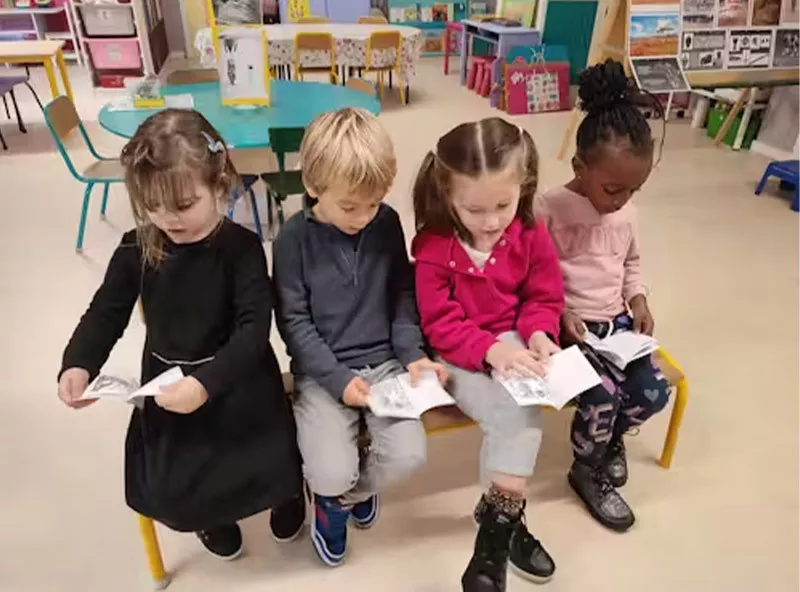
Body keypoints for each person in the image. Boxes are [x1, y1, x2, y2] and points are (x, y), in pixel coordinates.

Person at [56, 110, 305, 560]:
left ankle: (286, 499)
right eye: (153, 206)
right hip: (169, 383)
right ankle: (213, 517)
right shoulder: (138, 245)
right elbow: (105, 312)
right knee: (175, 485)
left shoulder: (242, 248)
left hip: (238, 378)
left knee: (272, 458)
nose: (168, 218)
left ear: (219, 185)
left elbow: (254, 328)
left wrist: (207, 384)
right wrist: (79, 362)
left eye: (185, 205)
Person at [272, 107, 446, 567]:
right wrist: (336, 380)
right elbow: (294, 324)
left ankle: (346, 499)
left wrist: (411, 353)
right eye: (350, 206)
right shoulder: (291, 241)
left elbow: (401, 294)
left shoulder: (385, 222)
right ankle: (329, 497)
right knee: (329, 472)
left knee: (409, 457)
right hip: (323, 373)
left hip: (387, 366)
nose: (365, 217)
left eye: (374, 203)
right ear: (312, 187)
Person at [412, 118, 564, 592]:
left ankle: (491, 544)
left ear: (525, 185)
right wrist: (492, 350)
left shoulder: (530, 233)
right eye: (474, 209)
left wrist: (540, 333)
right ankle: (503, 534)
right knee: (515, 416)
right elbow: (441, 325)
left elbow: (543, 296)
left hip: (514, 343)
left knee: (521, 407)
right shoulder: (434, 248)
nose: (492, 221)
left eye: (504, 203)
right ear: (447, 196)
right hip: (459, 355)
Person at [535, 59, 671, 532]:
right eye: (613, 188)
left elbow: (630, 264)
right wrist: (561, 311)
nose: (621, 201)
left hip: (617, 327)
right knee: (601, 398)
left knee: (654, 393)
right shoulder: (549, 208)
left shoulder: (626, 213)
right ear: (579, 166)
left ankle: (611, 440)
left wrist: (639, 301)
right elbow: (534, 275)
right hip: (566, 331)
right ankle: (586, 470)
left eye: (634, 190)